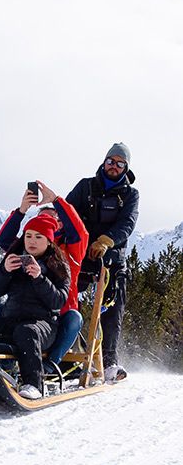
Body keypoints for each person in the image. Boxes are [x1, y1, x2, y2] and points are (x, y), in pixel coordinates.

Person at [0, 212, 70, 400]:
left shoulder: (58, 265)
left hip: (43, 325)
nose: (32, 241)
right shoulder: (14, 258)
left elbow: (59, 301)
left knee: (26, 331)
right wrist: (4, 271)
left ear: (49, 241)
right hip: (11, 320)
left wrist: (40, 278)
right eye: (28, 235)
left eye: (38, 237)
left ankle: (33, 384)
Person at [0, 180, 88, 367]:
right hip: (22, 315)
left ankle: (51, 364)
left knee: (74, 318)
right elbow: (4, 240)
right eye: (41, 219)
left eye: (53, 219)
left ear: (60, 224)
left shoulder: (71, 250)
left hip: (56, 317)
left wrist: (56, 201)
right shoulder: (28, 246)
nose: (45, 223)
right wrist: (21, 210)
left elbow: (79, 232)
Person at [66, 143, 139, 382]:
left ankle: (109, 361)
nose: (113, 166)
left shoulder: (130, 195)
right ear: (104, 161)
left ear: (125, 168)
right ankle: (68, 352)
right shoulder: (86, 186)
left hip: (111, 259)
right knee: (65, 297)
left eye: (120, 163)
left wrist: (107, 241)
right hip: (81, 255)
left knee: (112, 306)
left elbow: (127, 223)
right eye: (111, 161)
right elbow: (68, 211)